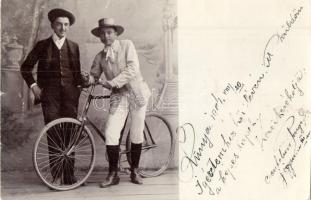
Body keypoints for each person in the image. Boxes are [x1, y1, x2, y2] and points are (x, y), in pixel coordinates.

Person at [20, 8, 82, 185]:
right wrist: (34, 87)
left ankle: (69, 176)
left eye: (66, 25)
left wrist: (80, 87)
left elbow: (77, 74)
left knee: (70, 133)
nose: (63, 28)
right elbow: (25, 68)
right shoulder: (42, 45)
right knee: (53, 133)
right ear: (52, 25)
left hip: (70, 97)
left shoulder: (73, 46)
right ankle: (56, 175)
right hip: (50, 97)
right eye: (59, 24)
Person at [89, 18, 151, 187]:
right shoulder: (100, 56)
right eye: (102, 33)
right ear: (99, 37)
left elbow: (132, 69)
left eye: (109, 32)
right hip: (119, 96)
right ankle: (113, 174)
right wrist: (88, 78)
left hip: (136, 92)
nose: (106, 36)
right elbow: (94, 74)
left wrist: (112, 82)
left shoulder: (127, 45)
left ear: (116, 34)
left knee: (137, 132)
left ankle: (135, 171)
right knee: (111, 132)